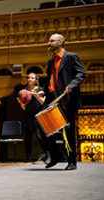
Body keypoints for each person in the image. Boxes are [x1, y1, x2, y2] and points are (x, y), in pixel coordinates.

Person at [43, 33, 86, 170]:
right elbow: (50, 78)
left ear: (60, 42)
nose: (48, 43)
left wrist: (72, 85)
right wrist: (43, 90)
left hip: (67, 99)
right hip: (52, 99)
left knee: (67, 131)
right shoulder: (51, 60)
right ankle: (55, 156)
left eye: (52, 40)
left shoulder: (71, 57)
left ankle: (71, 161)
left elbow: (81, 73)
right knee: (44, 127)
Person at [17, 73, 50, 163]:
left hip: (38, 117)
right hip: (28, 117)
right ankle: (28, 157)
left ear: (36, 80)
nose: (30, 79)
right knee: (27, 138)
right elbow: (24, 108)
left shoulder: (40, 90)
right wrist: (21, 103)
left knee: (40, 137)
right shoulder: (25, 91)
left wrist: (35, 95)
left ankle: (48, 154)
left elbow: (43, 102)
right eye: (29, 78)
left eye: (32, 78)